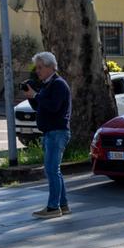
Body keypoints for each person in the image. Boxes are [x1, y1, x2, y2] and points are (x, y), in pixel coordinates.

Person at [24, 51, 72, 219]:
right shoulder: (47, 84)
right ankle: (63, 205)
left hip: (57, 132)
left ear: (51, 67)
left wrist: (36, 95)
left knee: (52, 170)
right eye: (36, 68)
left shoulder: (58, 84)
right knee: (54, 170)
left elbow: (53, 106)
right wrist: (32, 97)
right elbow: (40, 107)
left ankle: (53, 208)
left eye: (40, 67)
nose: (37, 71)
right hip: (50, 132)